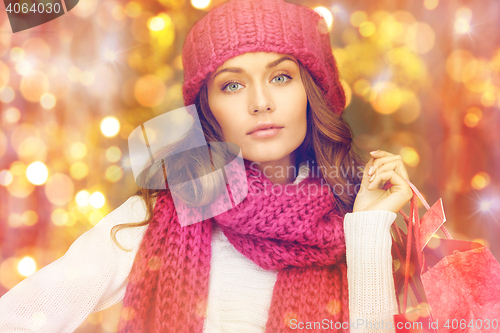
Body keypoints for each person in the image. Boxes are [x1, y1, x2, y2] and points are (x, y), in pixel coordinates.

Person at [0, 0, 414, 332]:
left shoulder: (354, 223)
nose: (260, 102)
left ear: (313, 91)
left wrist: (367, 230)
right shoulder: (164, 211)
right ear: (208, 109)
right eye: (232, 85)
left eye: (281, 77)